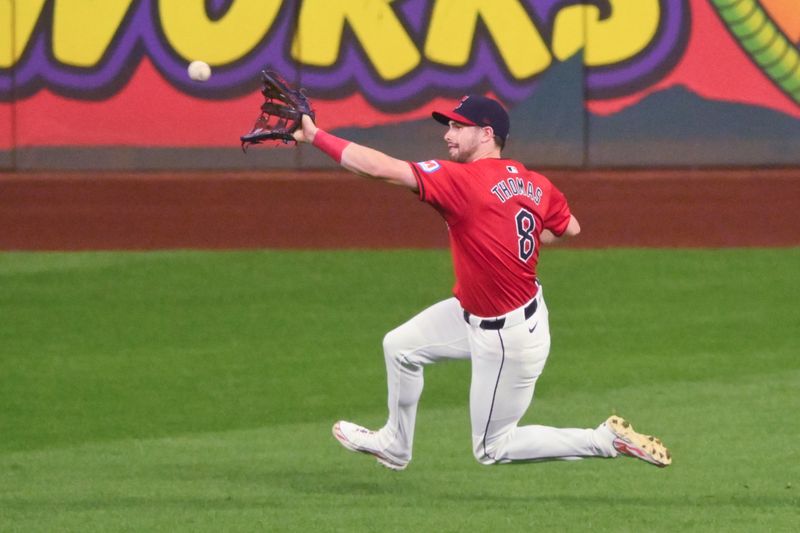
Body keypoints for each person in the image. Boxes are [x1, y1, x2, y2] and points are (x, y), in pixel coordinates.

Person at [291, 95, 672, 470]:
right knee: (400, 348)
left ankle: (602, 440)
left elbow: (380, 168)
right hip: (482, 313)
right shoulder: (532, 181)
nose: (448, 135)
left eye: (458, 127)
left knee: (492, 448)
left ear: (486, 134)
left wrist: (315, 136)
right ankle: (395, 444)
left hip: (508, 338)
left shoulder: (463, 181)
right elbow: (569, 227)